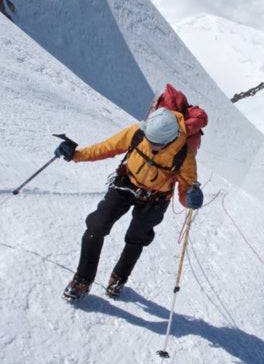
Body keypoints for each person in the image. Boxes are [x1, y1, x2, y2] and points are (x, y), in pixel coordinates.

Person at [55, 107, 204, 301]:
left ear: (170, 139)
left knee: (136, 238)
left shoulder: (185, 155)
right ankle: (82, 280)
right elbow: (107, 147)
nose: (151, 145)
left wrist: (191, 198)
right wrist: (76, 155)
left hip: (156, 198)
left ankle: (119, 278)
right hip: (126, 183)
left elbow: (186, 190)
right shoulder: (138, 132)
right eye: (149, 140)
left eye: (156, 143)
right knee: (97, 225)